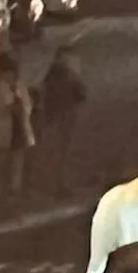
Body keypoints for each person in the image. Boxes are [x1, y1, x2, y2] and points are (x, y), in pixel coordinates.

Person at [0, 53, 36, 200]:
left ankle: (14, 187)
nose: (9, 76)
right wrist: (7, 110)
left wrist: (22, 108)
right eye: (7, 73)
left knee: (17, 158)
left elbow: (28, 104)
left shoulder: (19, 86)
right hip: (3, 127)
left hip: (19, 127)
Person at [39, 46, 87, 195]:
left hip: (59, 118)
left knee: (59, 152)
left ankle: (55, 184)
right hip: (61, 118)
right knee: (60, 153)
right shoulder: (65, 76)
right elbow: (80, 95)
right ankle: (58, 185)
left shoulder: (53, 75)